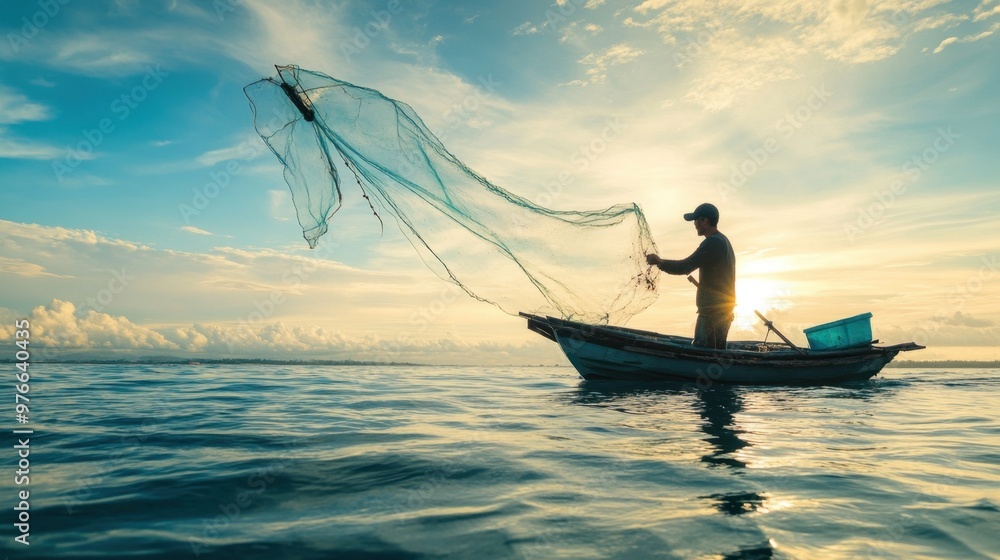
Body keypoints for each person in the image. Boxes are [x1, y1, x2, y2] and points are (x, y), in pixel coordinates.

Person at [646, 203, 735, 349]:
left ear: (704, 221)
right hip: (723, 311)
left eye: (695, 220)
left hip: (712, 313)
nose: (694, 224)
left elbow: (685, 266)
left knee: (702, 353)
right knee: (716, 353)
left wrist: (660, 262)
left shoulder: (712, 243)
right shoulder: (723, 241)